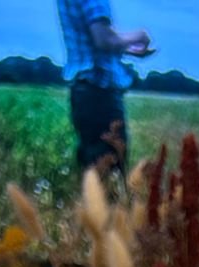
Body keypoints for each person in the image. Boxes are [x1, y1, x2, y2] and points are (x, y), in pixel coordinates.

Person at [56, 0, 155, 175]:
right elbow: (103, 38)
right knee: (110, 166)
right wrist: (140, 36)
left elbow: (90, 41)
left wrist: (127, 49)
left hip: (83, 90)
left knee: (91, 167)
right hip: (100, 89)